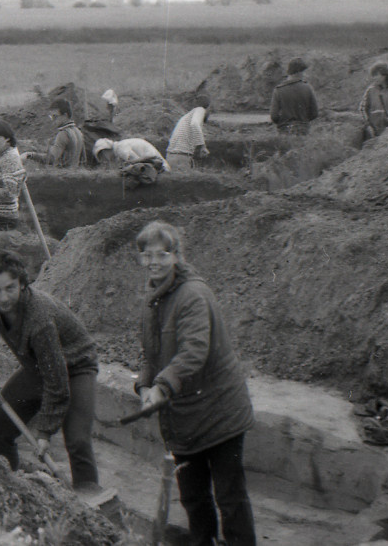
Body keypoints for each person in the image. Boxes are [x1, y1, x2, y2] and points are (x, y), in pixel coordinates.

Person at [133, 221, 256, 546]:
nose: (154, 262)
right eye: (147, 256)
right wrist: (145, 386)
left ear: (176, 256)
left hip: (220, 414)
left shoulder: (192, 295)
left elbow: (194, 351)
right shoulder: (153, 298)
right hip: (185, 421)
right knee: (193, 499)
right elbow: (149, 353)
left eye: (162, 254)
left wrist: (162, 387)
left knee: (230, 499)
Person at [0, 250, 100, 492]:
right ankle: (11, 488)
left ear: (22, 283)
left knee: (77, 440)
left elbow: (58, 384)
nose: (3, 297)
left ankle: (91, 501)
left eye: (10, 288)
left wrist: (44, 433)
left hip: (77, 365)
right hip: (39, 365)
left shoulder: (39, 320)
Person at [24, 99, 84, 168]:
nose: (53, 120)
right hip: (75, 174)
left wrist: (30, 155)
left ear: (65, 115)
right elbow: (83, 160)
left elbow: (51, 159)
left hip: (62, 176)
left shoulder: (63, 134)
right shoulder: (78, 132)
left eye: (55, 116)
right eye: (51, 117)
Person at [269, 57, 318, 135]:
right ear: (300, 72)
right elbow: (314, 113)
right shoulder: (308, 88)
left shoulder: (278, 90)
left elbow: (274, 116)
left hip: (284, 131)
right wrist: (303, 121)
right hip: (303, 130)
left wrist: (283, 122)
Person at [166, 97, 211, 171]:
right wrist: (202, 146)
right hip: (181, 158)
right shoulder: (200, 110)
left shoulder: (187, 117)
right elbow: (194, 124)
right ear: (208, 108)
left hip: (172, 157)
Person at [93, 137, 171, 172]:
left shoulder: (121, 149)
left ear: (106, 150)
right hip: (158, 166)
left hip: (162, 168)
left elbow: (138, 165)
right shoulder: (120, 147)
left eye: (102, 155)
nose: (104, 159)